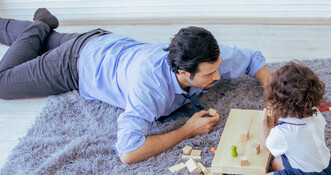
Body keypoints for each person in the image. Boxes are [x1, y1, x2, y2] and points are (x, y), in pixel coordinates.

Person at [0, 8, 271, 164]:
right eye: (210, 74)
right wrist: (187, 130)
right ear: (183, 72)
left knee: (30, 43)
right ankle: (40, 23)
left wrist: (271, 95)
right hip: (74, 65)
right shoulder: (150, 88)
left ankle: (42, 28)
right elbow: (128, 151)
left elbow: (253, 59)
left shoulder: (202, 54)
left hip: (102, 42)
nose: (219, 76)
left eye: (218, 67)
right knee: (4, 82)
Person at [257, 62, 331, 175]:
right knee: (276, 162)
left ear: (277, 105)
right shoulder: (315, 114)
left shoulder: (282, 133)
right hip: (328, 170)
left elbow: (266, 145)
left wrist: (263, 124)